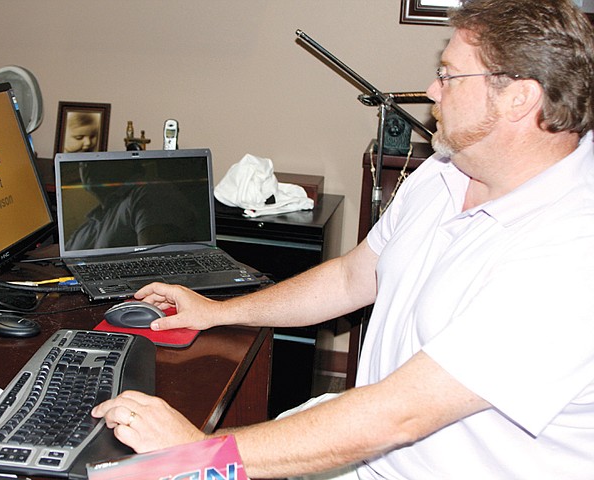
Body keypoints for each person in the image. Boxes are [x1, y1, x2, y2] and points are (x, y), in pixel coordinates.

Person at [91, 0, 594, 477]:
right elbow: (353, 277)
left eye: (448, 75)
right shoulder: (446, 169)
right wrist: (217, 311)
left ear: (520, 97)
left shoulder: (572, 252)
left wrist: (192, 455)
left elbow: (399, 415)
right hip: (374, 453)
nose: (432, 90)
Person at [64, 160, 200, 250]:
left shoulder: (148, 191)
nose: (86, 166)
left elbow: (155, 260)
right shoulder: (84, 229)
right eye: (82, 164)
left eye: (94, 161)